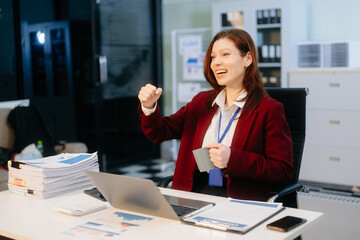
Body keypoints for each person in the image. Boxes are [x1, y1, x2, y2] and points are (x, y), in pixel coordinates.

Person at [137, 29, 293, 201]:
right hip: (191, 193)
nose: (216, 62)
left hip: (235, 198)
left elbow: (283, 171)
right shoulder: (201, 102)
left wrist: (232, 159)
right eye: (213, 57)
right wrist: (148, 106)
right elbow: (159, 132)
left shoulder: (268, 109)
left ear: (248, 59)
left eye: (225, 54)